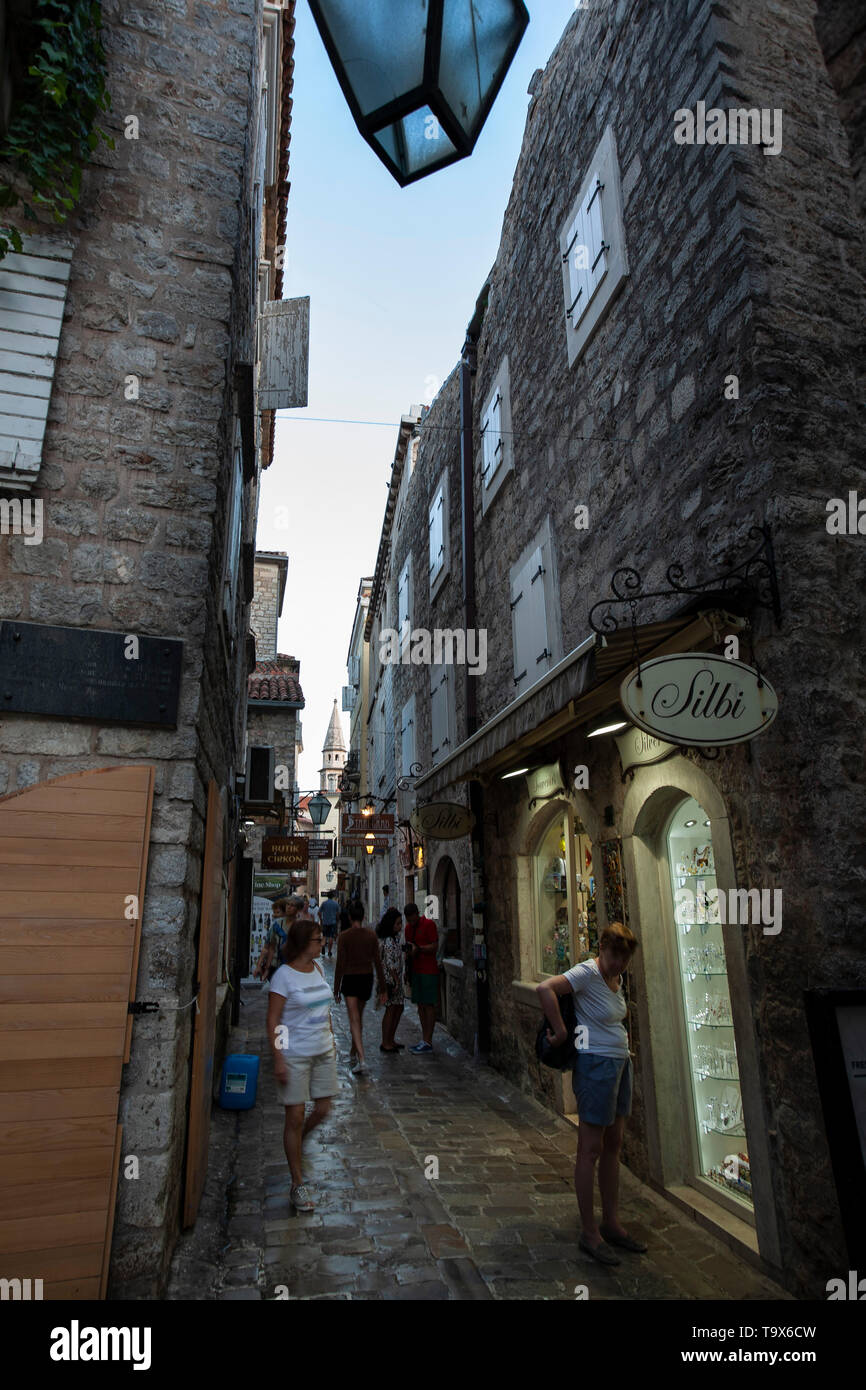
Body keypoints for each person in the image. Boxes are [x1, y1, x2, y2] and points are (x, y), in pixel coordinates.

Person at [536, 920, 647, 1266]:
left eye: (625, 958)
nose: (619, 963)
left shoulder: (617, 979)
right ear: (603, 949)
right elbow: (545, 989)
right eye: (615, 955)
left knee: (613, 1145)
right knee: (590, 1148)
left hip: (619, 1065)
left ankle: (611, 1222)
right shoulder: (587, 972)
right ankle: (590, 1232)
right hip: (595, 1067)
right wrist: (559, 1030)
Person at [266, 917, 337, 1213]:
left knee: (322, 1109)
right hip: (294, 1053)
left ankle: (297, 1141)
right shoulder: (283, 976)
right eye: (317, 940)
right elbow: (274, 1020)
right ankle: (297, 1182)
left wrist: (332, 1038)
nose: (322, 944)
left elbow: (324, 1008)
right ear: (303, 944)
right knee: (294, 1116)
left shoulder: (318, 968)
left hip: (322, 1051)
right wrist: (279, 1057)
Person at [333, 900, 387, 1075]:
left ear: (349, 917)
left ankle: (362, 1059)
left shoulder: (344, 936)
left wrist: (336, 987)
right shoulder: (371, 935)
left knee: (354, 1019)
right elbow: (378, 962)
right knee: (358, 1017)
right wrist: (383, 986)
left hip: (350, 978)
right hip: (366, 978)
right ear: (363, 917)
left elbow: (340, 963)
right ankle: (353, 1052)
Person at [404, 902, 439, 1054]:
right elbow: (408, 950)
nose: (411, 923)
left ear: (417, 914)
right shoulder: (407, 929)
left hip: (428, 970)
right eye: (409, 920)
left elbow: (434, 946)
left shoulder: (429, 924)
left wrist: (420, 949)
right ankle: (424, 1039)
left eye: (413, 919)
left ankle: (428, 1040)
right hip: (415, 970)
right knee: (420, 1005)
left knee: (428, 1005)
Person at [253, 893, 304, 981]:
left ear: (298, 909)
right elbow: (268, 947)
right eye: (288, 904)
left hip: (293, 967)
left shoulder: (301, 926)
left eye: (292, 905)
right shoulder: (277, 924)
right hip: (275, 966)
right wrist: (260, 966)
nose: (288, 907)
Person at [376, 907, 406, 1052]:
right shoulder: (388, 941)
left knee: (398, 1008)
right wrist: (396, 980)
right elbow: (389, 963)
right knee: (391, 1009)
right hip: (391, 981)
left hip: (397, 980)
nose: (400, 926)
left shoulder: (395, 940)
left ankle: (391, 1038)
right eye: (398, 924)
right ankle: (386, 1042)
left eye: (401, 923)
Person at [319, 892, 339, 958]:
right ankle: (329, 951)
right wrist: (337, 920)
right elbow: (338, 914)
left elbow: (319, 912)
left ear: (327, 896)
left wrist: (321, 920)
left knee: (324, 936)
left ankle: (323, 946)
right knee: (331, 937)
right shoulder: (336, 904)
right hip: (333, 922)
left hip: (325, 922)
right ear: (332, 896)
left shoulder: (324, 903)